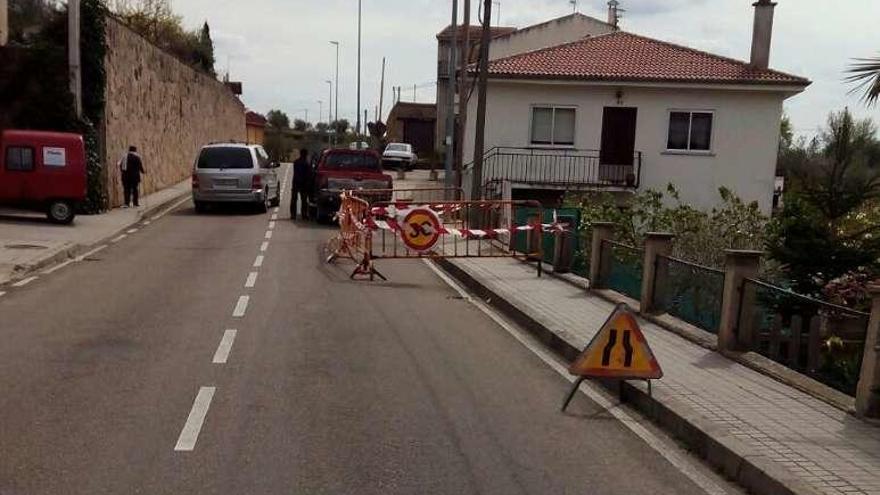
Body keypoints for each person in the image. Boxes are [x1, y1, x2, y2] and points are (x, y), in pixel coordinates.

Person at [291, 148, 311, 220]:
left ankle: (293, 215)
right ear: (305, 155)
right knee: (304, 200)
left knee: (294, 199)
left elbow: (296, 173)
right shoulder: (307, 164)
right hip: (304, 183)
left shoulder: (296, 162)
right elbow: (308, 175)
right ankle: (304, 215)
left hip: (296, 182)